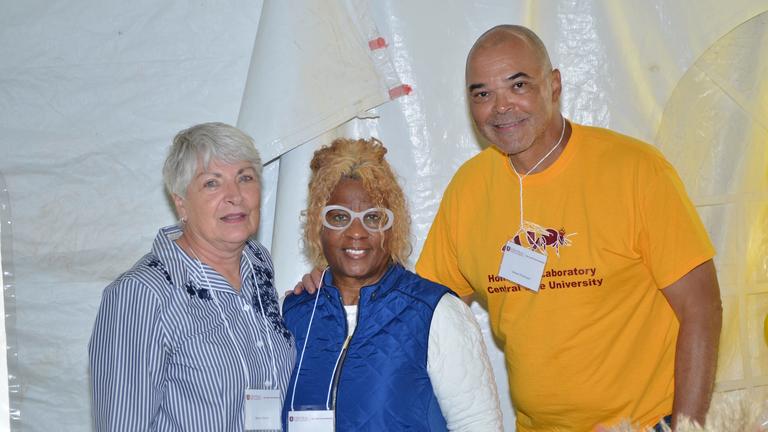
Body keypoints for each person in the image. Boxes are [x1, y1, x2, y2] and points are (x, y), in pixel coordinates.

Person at [298, 26, 722, 432]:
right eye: (482, 94)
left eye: (518, 86)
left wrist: (684, 428)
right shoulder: (470, 188)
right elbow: (414, 307)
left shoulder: (635, 171)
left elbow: (701, 309)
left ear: (554, 85)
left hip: (644, 425)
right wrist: (338, 287)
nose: (500, 107)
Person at [282, 138, 502, 431]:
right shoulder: (294, 314)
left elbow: (477, 424)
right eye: (339, 217)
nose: (356, 232)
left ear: (393, 227)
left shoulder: (436, 313)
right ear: (317, 227)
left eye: (373, 218)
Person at [89, 122, 295, 431]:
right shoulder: (140, 294)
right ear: (181, 202)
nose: (234, 195)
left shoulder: (258, 264)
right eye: (212, 183)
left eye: (245, 178)